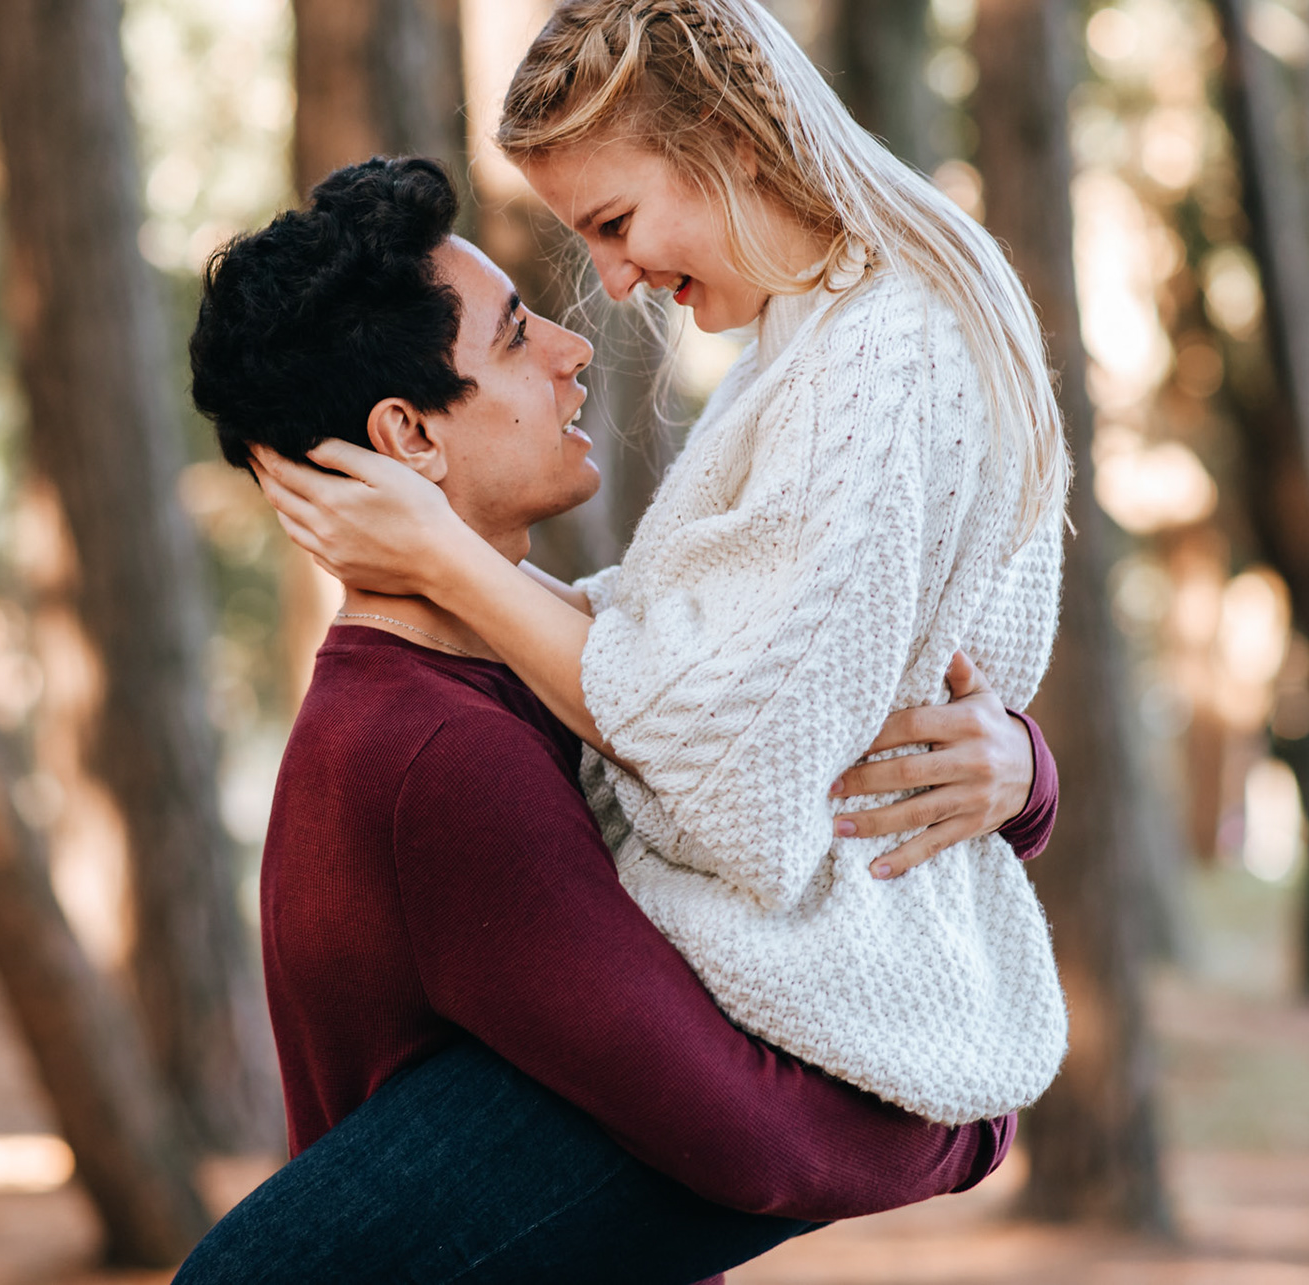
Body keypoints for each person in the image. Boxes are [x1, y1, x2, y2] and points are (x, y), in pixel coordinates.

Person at [175, 158, 1060, 1284]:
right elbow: (745, 1136)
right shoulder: (437, 757)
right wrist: (968, 1117)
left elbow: (788, 774)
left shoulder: (528, 679)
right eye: (513, 337)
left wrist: (1017, 774)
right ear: (410, 436)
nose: (573, 346)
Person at [255, 0, 1070, 1131]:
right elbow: (714, 653)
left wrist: (444, 556)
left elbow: (731, 767)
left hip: (826, 1008)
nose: (616, 283)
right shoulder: (825, 330)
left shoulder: (883, 362)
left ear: (732, 139)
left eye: (616, 219)